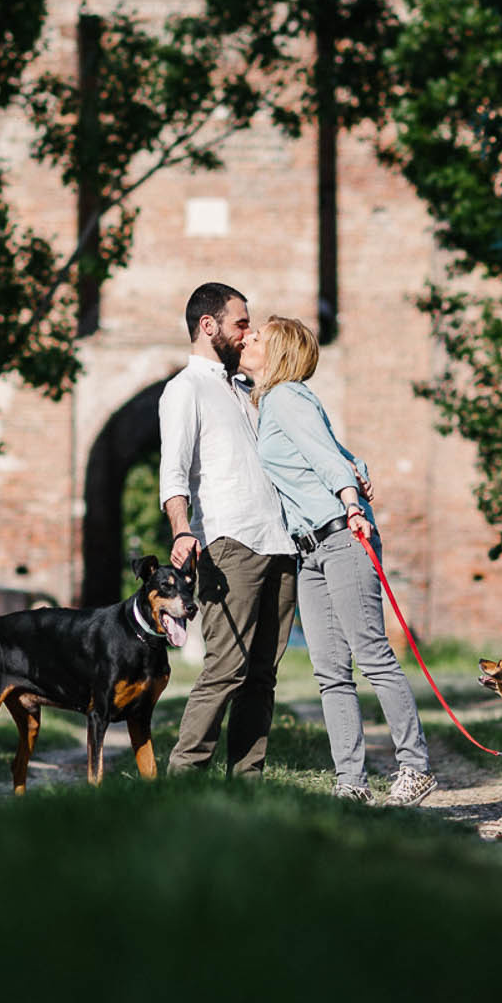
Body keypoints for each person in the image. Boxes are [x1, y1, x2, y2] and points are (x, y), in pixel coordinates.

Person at [239, 316, 437, 806]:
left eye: (257, 336)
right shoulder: (275, 403)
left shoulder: (286, 397)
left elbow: (328, 461)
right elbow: (342, 454)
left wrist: (351, 502)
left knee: (372, 655)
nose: (247, 339)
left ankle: (415, 767)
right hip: (309, 551)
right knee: (329, 671)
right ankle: (352, 780)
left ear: (279, 351)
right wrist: (359, 473)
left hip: (342, 536)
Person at [158, 282, 298, 777]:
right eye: (241, 323)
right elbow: (173, 473)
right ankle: (184, 780)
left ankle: (247, 783)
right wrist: (181, 530)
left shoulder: (250, 390)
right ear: (208, 326)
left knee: (262, 677)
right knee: (225, 670)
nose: (248, 333)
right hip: (230, 544)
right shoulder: (185, 390)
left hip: (281, 545)